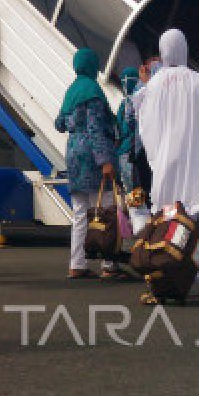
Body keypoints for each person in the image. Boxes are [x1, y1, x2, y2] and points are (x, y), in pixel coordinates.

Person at [133, 30, 199, 300]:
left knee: (165, 221)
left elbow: (147, 127)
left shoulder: (154, 85)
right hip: (197, 162)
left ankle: (161, 278)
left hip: (167, 162)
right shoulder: (197, 81)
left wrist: (159, 155)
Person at [55, 48, 119, 279]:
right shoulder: (92, 90)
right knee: (105, 209)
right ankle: (109, 265)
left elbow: (60, 123)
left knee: (81, 211)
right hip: (91, 155)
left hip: (73, 152)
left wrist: (74, 123)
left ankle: (77, 263)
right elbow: (94, 128)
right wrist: (105, 160)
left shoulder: (71, 91)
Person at [115, 66, 152, 233]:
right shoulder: (140, 98)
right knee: (145, 194)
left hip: (124, 155)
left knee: (133, 195)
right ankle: (146, 230)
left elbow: (118, 130)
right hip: (139, 154)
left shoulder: (124, 104)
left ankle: (139, 230)